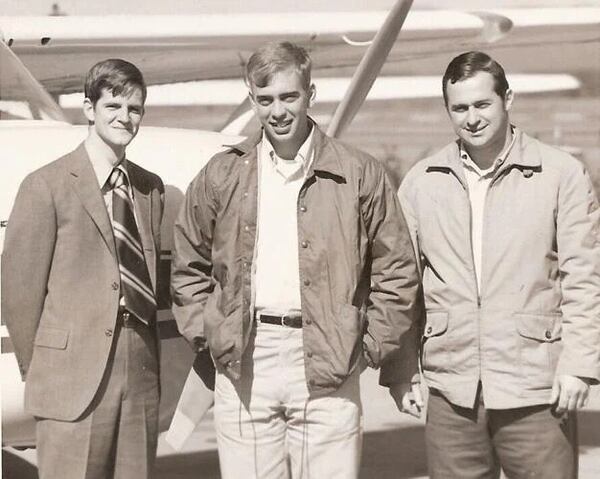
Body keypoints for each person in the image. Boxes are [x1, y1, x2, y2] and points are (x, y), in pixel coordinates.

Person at [171, 41, 421, 479]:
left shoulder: (359, 173)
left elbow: (396, 268)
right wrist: (209, 335)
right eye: (265, 100)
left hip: (329, 359)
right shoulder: (221, 174)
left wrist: (368, 347)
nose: (278, 111)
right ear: (252, 100)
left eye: (289, 96)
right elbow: (187, 262)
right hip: (246, 358)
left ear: (311, 93)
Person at [383, 51, 600, 478]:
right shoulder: (422, 181)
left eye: (482, 104)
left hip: (536, 386)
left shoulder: (561, 174)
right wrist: (401, 368)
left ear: (507, 99)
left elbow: (585, 278)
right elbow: (402, 284)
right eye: (459, 108)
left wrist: (579, 366)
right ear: (448, 110)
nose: (472, 118)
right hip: (452, 389)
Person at [2, 59, 164, 479]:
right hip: (70, 376)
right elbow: (20, 292)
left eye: (134, 109)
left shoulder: (149, 188)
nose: (124, 118)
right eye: (113, 106)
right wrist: (44, 370)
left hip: (139, 367)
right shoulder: (45, 185)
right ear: (89, 108)